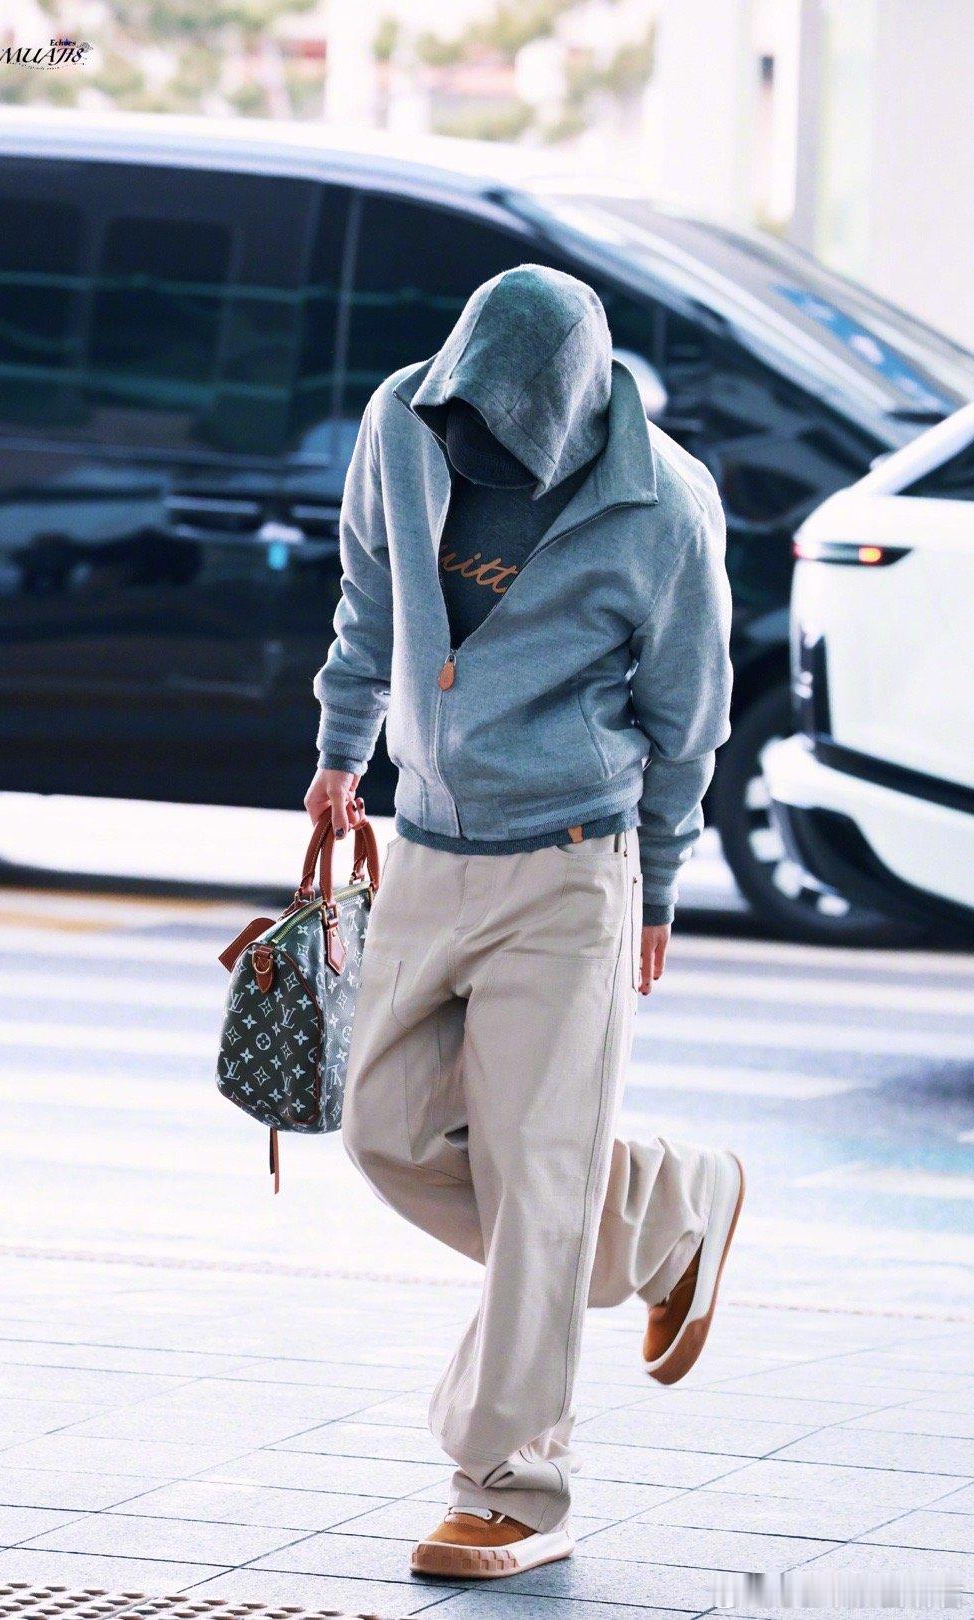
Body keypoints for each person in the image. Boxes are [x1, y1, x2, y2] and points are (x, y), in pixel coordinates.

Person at [306, 265, 744, 1581]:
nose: (476, 444)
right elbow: (368, 595)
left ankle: (511, 1488)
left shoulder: (664, 506)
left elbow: (689, 720)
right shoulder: (401, 422)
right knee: (384, 1133)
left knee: (538, 1177)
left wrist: (658, 882)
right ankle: (667, 1208)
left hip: (569, 867)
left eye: (504, 429)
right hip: (427, 847)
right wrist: (340, 753)